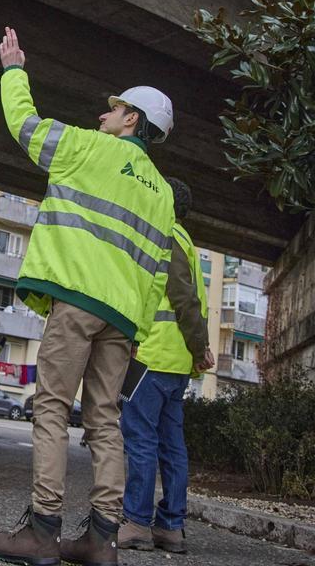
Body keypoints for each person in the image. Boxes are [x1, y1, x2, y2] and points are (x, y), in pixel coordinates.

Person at [0, 27, 176, 566]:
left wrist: (14, 69)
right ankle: (102, 539)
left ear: (131, 120)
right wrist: (137, 331)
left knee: (49, 406)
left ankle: (43, 530)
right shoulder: (162, 195)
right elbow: (157, 273)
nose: (102, 116)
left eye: (112, 111)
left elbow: (23, 124)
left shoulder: (87, 149)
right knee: (104, 421)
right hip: (122, 322)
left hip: (77, 304)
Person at [118, 178, 215, 554]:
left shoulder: (166, 237)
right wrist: (194, 350)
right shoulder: (187, 241)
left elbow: (181, 296)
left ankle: (137, 524)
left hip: (151, 358)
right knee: (172, 447)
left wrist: (201, 346)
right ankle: (171, 528)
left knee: (141, 441)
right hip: (174, 365)